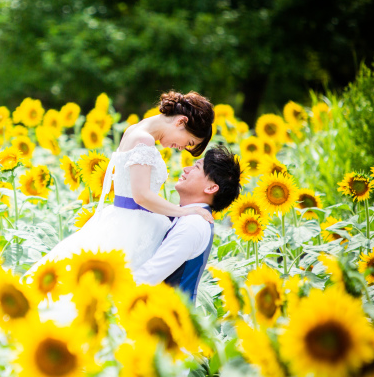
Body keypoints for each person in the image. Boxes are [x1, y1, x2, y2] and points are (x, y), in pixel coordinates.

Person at [29, 90, 215, 274]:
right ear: (181, 121)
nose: (182, 148)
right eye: (188, 142)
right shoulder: (144, 139)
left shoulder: (133, 130)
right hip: (131, 229)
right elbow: (141, 196)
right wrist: (185, 211)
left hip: (121, 219)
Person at [133, 145, 242, 302]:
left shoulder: (193, 224)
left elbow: (150, 275)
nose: (186, 169)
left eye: (196, 167)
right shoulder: (185, 215)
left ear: (211, 187)